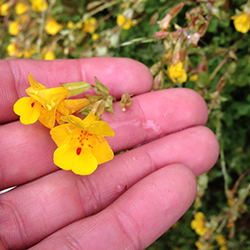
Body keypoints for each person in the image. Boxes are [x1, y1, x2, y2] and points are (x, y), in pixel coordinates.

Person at [0, 57, 219, 250]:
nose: (83, 137)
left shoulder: (84, 128)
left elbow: (101, 151)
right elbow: (65, 134)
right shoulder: (75, 124)